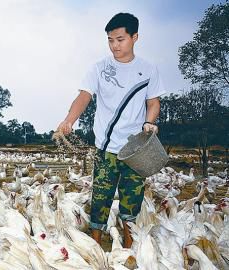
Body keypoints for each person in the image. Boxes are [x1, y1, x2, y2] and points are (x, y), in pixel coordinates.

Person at [57, 12, 165, 248]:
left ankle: (128, 246)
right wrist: (69, 120)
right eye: (110, 40)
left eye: (120, 39)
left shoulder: (148, 70)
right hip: (106, 148)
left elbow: (153, 102)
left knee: (132, 200)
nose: (114, 45)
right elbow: (84, 96)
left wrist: (149, 121)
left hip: (135, 149)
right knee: (100, 198)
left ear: (135, 37)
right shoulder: (99, 68)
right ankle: (95, 245)